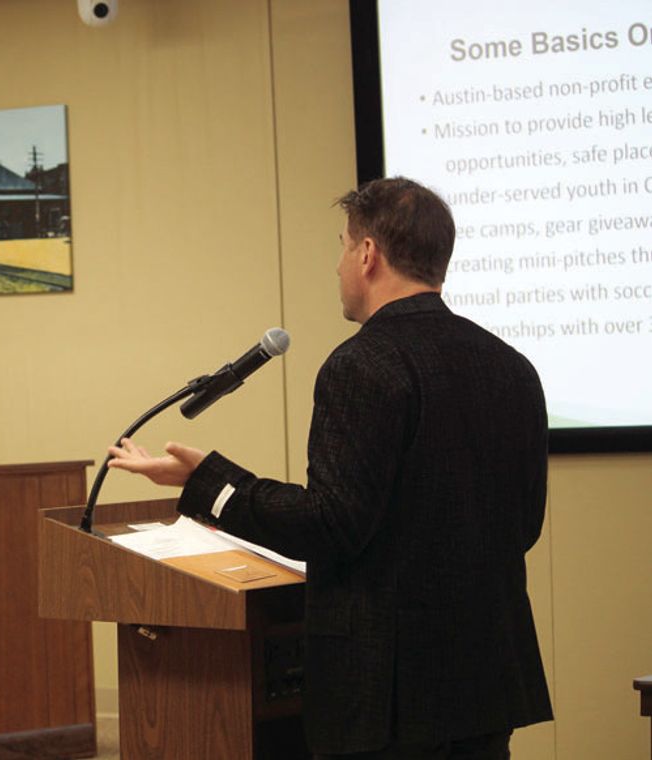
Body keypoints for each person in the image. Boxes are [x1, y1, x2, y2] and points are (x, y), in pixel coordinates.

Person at [108, 177, 552, 759]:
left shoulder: (362, 364)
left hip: (387, 699)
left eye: (342, 245)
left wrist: (208, 485)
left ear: (368, 255)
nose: (337, 264)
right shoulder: (511, 367)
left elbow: (332, 522)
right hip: (484, 683)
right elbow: (523, 526)